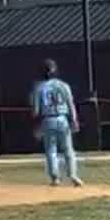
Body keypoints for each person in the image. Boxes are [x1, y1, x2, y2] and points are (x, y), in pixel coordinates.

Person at [30, 59, 82, 187]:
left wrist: (36, 123)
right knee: (68, 149)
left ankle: (55, 178)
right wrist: (74, 120)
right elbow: (70, 104)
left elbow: (36, 111)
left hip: (48, 120)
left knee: (51, 150)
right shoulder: (63, 85)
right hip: (62, 118)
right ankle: (73, 175)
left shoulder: (39, 88)